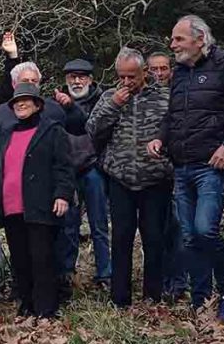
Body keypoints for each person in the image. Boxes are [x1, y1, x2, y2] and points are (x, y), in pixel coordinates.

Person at [147, 15, 224, 323]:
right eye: (172, 40)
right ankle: (201, 300)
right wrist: (160, 138)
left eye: (178, 39)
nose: (172, 45)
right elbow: (172, 115)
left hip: (211, 166)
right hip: (181, 167)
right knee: (188, 237)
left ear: (200, 39)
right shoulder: (181, 74)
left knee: (204, 230)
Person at [0, 83, 75, 319]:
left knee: (41, 257)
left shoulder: (52, 131)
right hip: (11, 207)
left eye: (26, 100)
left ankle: (46, 308)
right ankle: (27, 303)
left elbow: (63, 167)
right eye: (16, 101)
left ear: (37, 104)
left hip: (40, 205)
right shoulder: (6, 134)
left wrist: (62, 194)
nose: (21, 104)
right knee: (20, 258)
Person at [88, 48, 171, 307]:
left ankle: (152, 295)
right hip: (120, 178)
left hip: (156, 179)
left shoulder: (164, 97)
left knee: (154, 237)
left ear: (144, 72)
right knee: (121, 236)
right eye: (121, 77)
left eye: (131, 77)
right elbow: (92, 129)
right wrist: (114, 106)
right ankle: (120, 297)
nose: (125, 82)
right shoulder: (110, 97)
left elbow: (177, 130)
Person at [54, 59, 112, 289]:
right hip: (68, 172)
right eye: (72, 77)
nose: (76, 81)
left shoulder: (102, 100)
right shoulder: (55, 104)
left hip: (93, 169)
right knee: (68, 225)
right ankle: (67, 272)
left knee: (99, 224)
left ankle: (105, 272)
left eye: (81, 77)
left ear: (90, 79)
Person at [148, 51, 188, 300]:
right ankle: (162, 280)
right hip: (153, 174)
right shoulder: (143, 96)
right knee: (159, 230)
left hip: (180, 170)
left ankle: (179, 281)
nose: (160, 74)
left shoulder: (181, 92)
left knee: (180, 230)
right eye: (155, 69)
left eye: (164, 68)